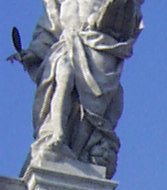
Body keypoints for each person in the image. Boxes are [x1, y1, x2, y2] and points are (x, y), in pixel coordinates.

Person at [9, 0, 144, 178]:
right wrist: (35, 52)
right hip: (66, 44)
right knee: (63, 74)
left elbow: (126, 17)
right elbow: (49, 26)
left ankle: (74, 153)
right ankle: (57, 133)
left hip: (99, 49)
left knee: (86, 118)